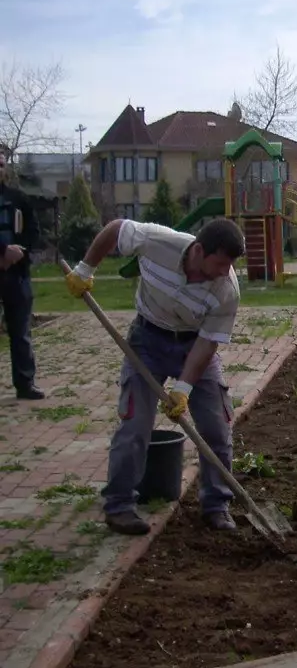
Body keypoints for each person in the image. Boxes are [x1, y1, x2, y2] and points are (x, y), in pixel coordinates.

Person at [65, 216, 246, 535]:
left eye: (228, 266)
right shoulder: (157, 242)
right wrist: (85, 269)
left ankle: (216, 506)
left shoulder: (227, 289)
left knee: (216, 428)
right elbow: (115, 228)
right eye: (219, 263)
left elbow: (207, 344)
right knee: (135, 425)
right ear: (199, 250)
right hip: (146, 342)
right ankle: (119, 506)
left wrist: (184, 387)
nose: (223, 271)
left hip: (193, 345)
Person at [0, 147, 43, 400]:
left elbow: (34, 232)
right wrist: (3, 251)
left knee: (21, 333)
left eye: (2, 165)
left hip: (16, 274)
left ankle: (25, 384)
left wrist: (19, 252)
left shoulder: (19, 199)